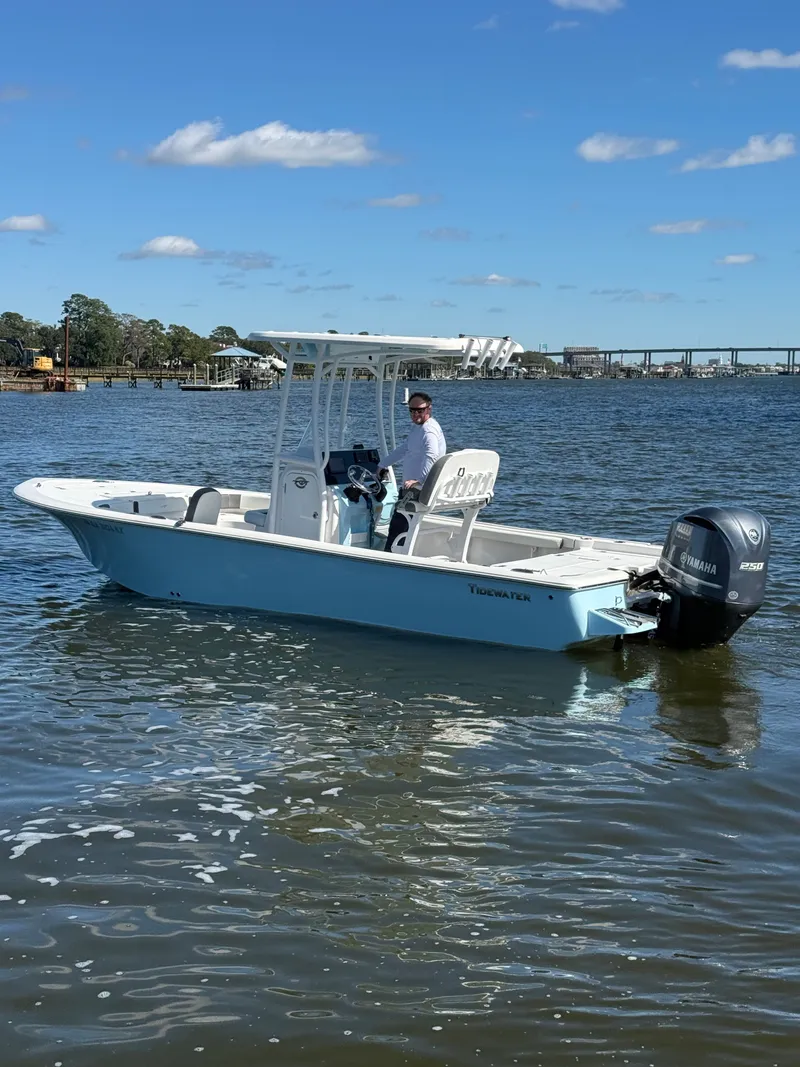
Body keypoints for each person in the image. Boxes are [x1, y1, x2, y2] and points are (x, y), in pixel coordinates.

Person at [378, 392, 446, 551]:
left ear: (429, 409)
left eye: (420, 410)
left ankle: (390, 558)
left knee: (397, 526)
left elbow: (431, 454)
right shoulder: (419, 428)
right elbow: (404, 449)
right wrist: (382, 464)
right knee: (400, 525)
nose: (415, 414)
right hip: (414, 488)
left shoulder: (428, 430)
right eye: (412, 410)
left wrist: (419, 480)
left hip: (416, 490)